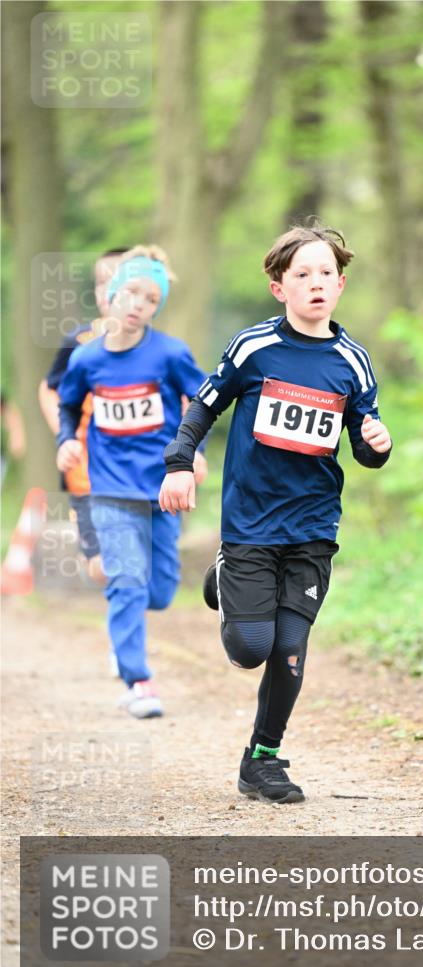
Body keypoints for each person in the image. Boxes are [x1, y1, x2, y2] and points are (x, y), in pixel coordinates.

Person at [159, 224, 392, 801]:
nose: (316, 283)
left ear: (341, 285)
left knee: (290, 647)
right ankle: (225, 575)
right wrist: (179, 462)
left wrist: (376, 445)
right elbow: (204, 406)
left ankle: (262, 758)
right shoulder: (254, 348)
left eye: (325, 274)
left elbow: (363, 447)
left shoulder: (353, 362)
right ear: (278, 288)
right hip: (252, 522)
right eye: (302, 274)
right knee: (250, 649)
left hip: (314, 525)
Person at [56, 245, 208, 718]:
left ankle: (130, 623)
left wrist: (194, 454)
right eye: (132, 292)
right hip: (110, 488)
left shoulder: (169, 354)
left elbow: (202, 400)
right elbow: (66, 403)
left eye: (150, 298)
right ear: (111, 295)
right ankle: (138, 680)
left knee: (158, 590)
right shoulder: (85, 358)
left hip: (162, 487)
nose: (139, 303)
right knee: (126, 579)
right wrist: (67, 439)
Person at [38, 248, 128, 583]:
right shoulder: (78, 340)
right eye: (101, 283)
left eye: (118, 282)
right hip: (86, 470)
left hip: (136, 471)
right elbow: (48, 388)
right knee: (101, 566)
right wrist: (64, 435)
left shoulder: (156, 349)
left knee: (137, 563)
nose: (109, 291)